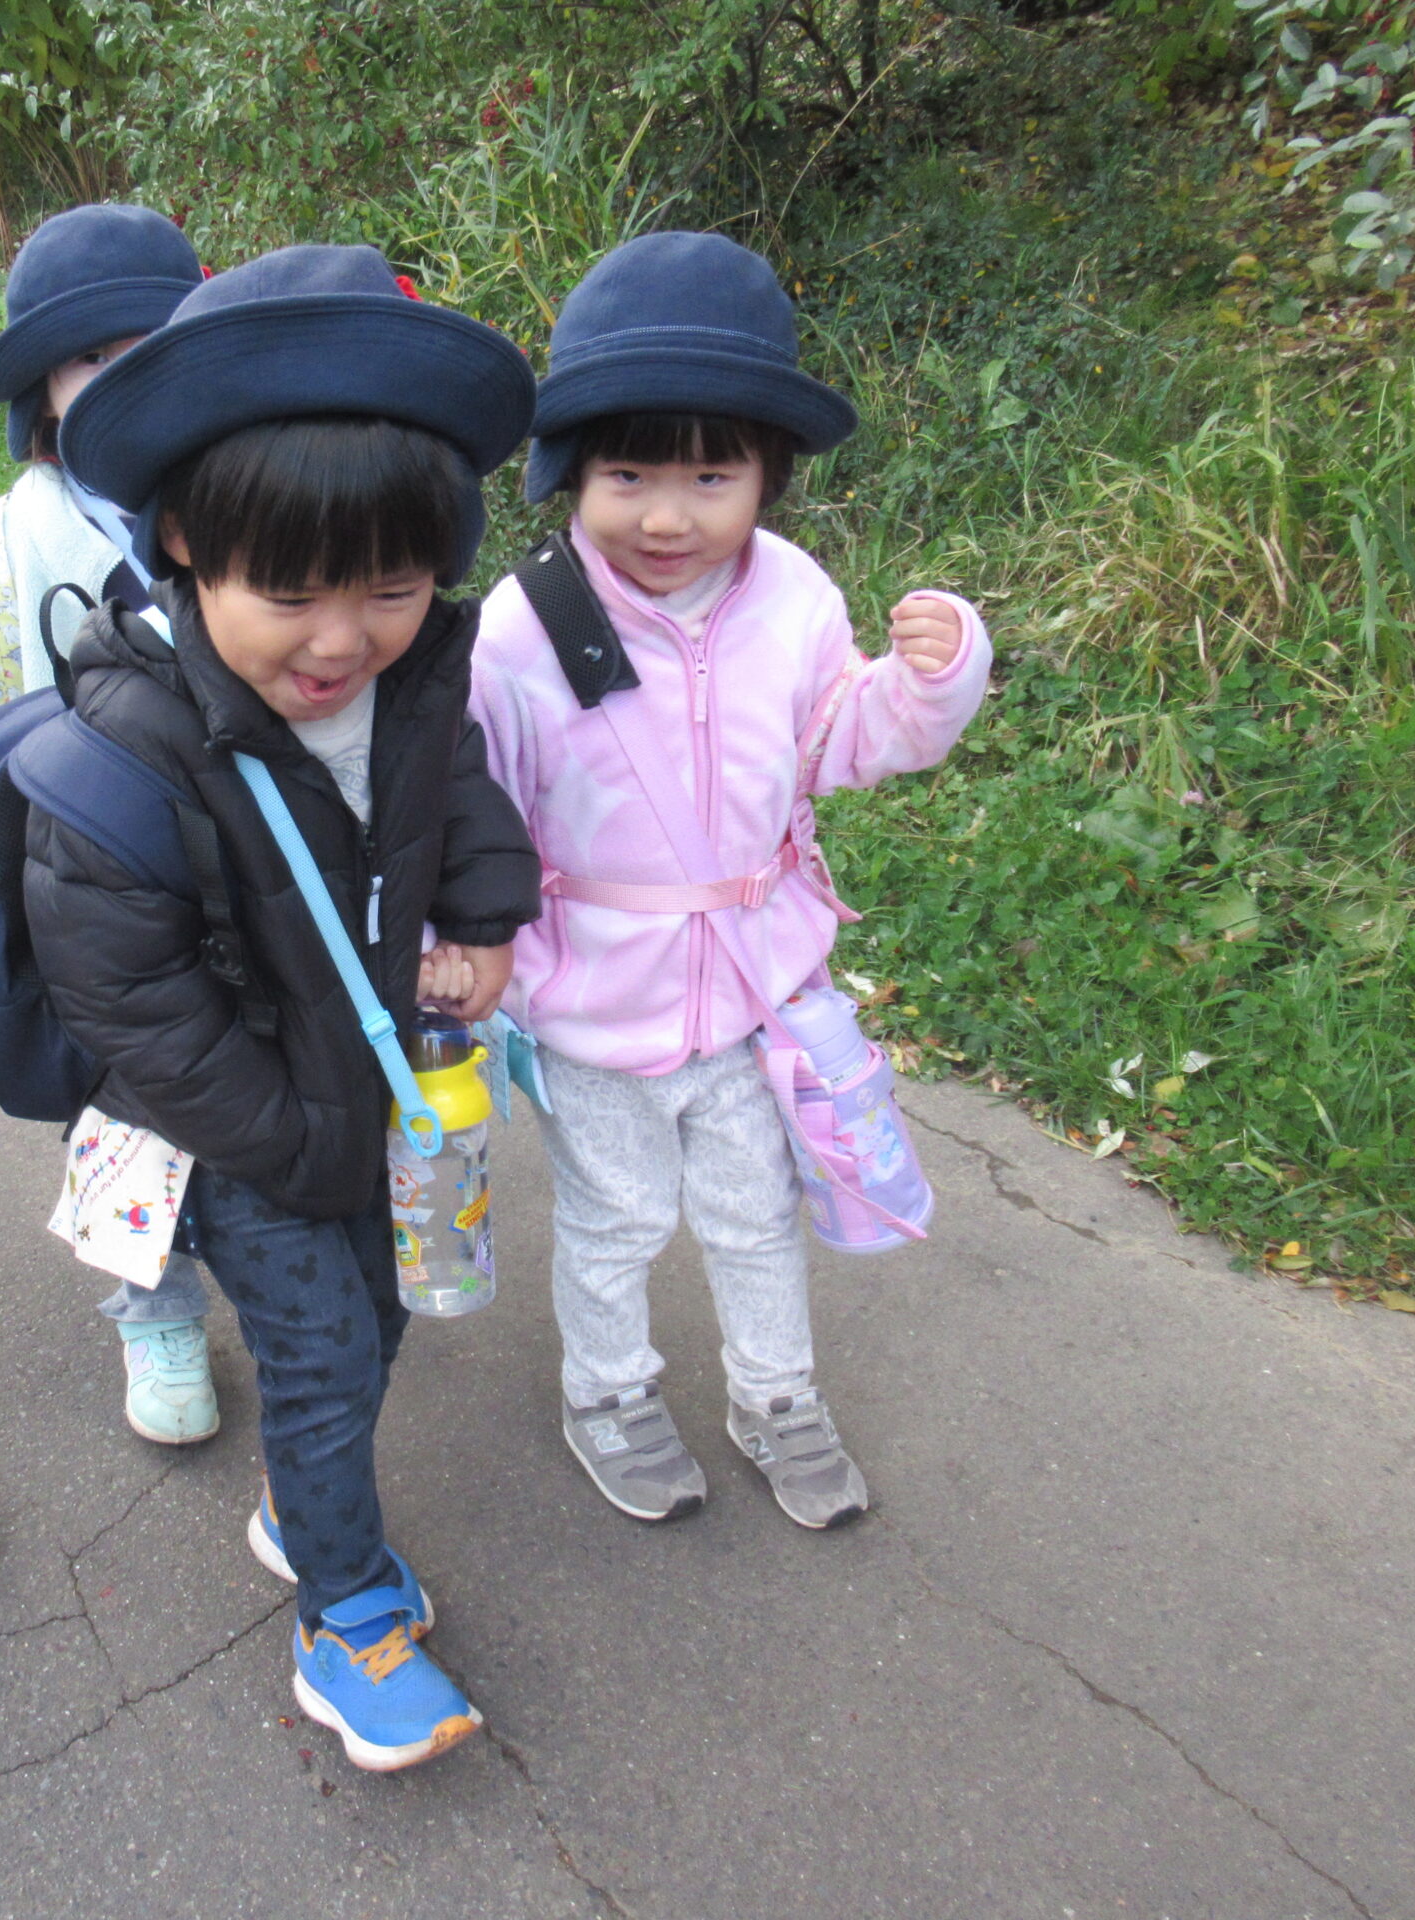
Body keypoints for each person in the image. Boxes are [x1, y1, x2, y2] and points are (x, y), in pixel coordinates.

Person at [31, 245, 541, 1771]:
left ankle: (290, 1506)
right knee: (322, 1354)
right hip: (236, 1132)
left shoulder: (419, 676)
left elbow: (460, 792)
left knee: (377, 1329)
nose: (341, 643)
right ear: (185, 540)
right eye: (292, 593)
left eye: (390, 588)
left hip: (370, 1094)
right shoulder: (123, 751)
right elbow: (136, 1006)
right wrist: (297, 1147)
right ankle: (345, 1618)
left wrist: (488, 922)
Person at [470, 231, 992, 1531]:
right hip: (592, 999)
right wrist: (476, 951)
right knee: (619, 1217)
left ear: (770, 472)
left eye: (713, 473)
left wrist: (936, 679)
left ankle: (777, 1397)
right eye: (627, 472)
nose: (666, 513)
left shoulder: (797, 598)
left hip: (756, 982)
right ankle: (609, 1394)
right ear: (566, 471)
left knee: (758, 1212)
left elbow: (847, 741)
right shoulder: (522, 629)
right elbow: (472, 809)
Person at [0, 203, 228, 1448]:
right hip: (73, 892)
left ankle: (283, 1263)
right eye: (94, 359)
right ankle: (151, 1301)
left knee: (256, 1068)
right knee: (117, 1102)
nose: (128, 379)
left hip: (243, 877)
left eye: (161, 344)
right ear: (43, 390)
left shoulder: (250, 500)